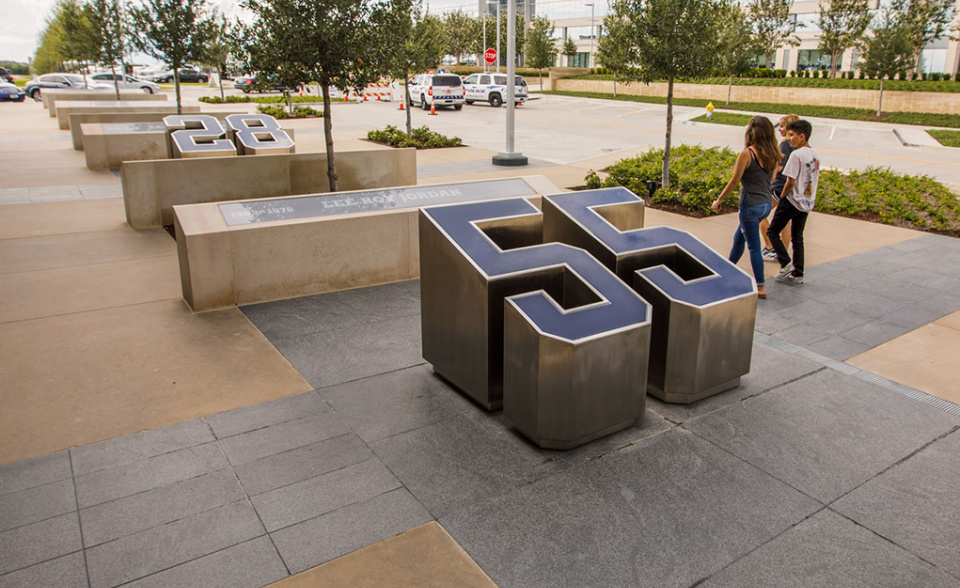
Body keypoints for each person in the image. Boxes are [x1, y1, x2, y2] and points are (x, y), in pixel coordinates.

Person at [711, 116, 781, 299]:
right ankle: (727, 269)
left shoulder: (747, 153)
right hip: (766, 205)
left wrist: (719, 199)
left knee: (754, 247)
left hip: (750, 206)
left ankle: (761, 286)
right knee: (738, 238)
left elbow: (735, 181)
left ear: (751, 132)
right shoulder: (773, 153)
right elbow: (772, 179)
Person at [768, 119, 821, 284]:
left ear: (802, 136)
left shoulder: (796, 154)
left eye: (792, 135)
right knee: (798, 237)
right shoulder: (815, 154)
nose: (789, 138)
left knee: (772, 232)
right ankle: (798, 273)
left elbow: (790, 181)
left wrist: (782, 197)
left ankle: (785, 263)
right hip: (806, 202)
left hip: (791, 200)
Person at [761, 114, 799, 261]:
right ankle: (781, 251)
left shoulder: (784, 145)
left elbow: (779, 167)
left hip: (778, 186)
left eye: (782, 126)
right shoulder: (796, 146)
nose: (779, 130)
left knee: (759, 214)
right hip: (789, 186)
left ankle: (771, 247)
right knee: (785, 221)